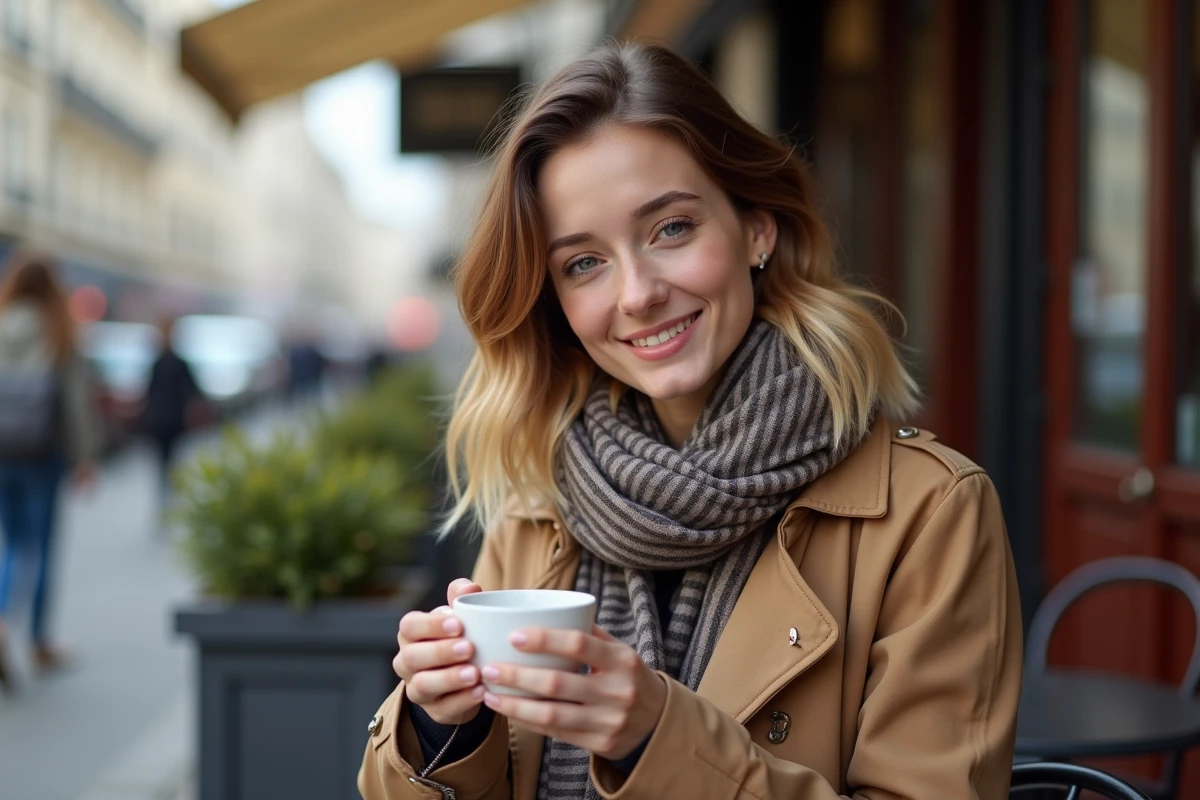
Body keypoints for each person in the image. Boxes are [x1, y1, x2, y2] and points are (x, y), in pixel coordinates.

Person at [359, 42, 1022, 800]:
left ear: (757, 229)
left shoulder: (931, 513)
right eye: (583, 263)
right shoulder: (540, 503)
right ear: (557, 304)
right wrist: (444, 727)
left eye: (671, 228)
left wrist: (656, 738)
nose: (637, 294)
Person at [0, 252, 100, 692]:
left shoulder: (1, 325)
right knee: (37, 546)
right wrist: (85, 458)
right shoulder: (60, 332)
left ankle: (5, 623)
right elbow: (77, 405)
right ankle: (37, 641)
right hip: (42, 455)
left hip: (2, 453)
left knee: (12, 542)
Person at [141, 316, 202, 521]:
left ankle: (167, 504)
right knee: (167, 465)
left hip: (167, 421)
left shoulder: (166, 362)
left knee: (168, 465)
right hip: (165, 421)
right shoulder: (164, 361)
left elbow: (193, 392)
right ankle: (166, 505)